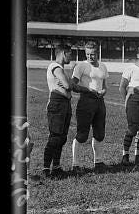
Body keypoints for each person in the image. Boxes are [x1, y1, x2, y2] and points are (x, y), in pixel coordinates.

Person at [70, 41, 109, 173]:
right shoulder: (81, 66)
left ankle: (98, 162)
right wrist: (87, 90)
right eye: (87, 54)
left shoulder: (103, 66)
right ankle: (75, 164)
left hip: (100, 102)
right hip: (86, 102)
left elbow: (104, 86)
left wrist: (103, 91)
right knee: (82, 134)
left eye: (92, 54)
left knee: (100, 133)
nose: (90, 57)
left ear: (97, 53)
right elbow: (72, 85)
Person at [43, 44, 73, 177]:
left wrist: (67, 84)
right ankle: (45, 168)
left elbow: (67, 85)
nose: (71, 56)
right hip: (57, 103)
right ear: (63, 53)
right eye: (70, 53)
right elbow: (67, 85)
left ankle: (56, 166)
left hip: (65, 104)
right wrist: (67, 85)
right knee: (55, 136)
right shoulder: (54, 66)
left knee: (62, 137)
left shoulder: (61, 69)